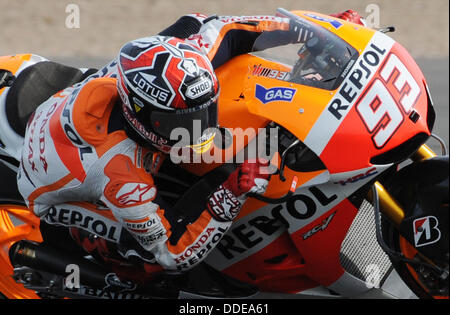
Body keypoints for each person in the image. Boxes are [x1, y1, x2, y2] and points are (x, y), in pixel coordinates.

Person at [16, 9, 365, 275]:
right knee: (148, 264)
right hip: (53, 188)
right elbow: (173, 255)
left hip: (76, 110)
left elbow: (222, 28)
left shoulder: (181, 61)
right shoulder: (120, 175)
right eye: (179, 123)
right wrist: (230, 192)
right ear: (140, 113)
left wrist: (315, 31)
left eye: (204, 114)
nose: (199, 129)